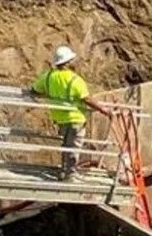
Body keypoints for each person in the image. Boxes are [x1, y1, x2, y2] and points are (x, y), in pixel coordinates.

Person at [32, 44, 111, 179]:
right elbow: (86, 99)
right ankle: (70, 174)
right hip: (76, 118)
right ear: (68, 62)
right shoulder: (75, 80)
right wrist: (103, 109)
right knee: (73, 146)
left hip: (60, 118)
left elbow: (34, 90)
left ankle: (65, 170)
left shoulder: (48, 76)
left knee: (66, 145)